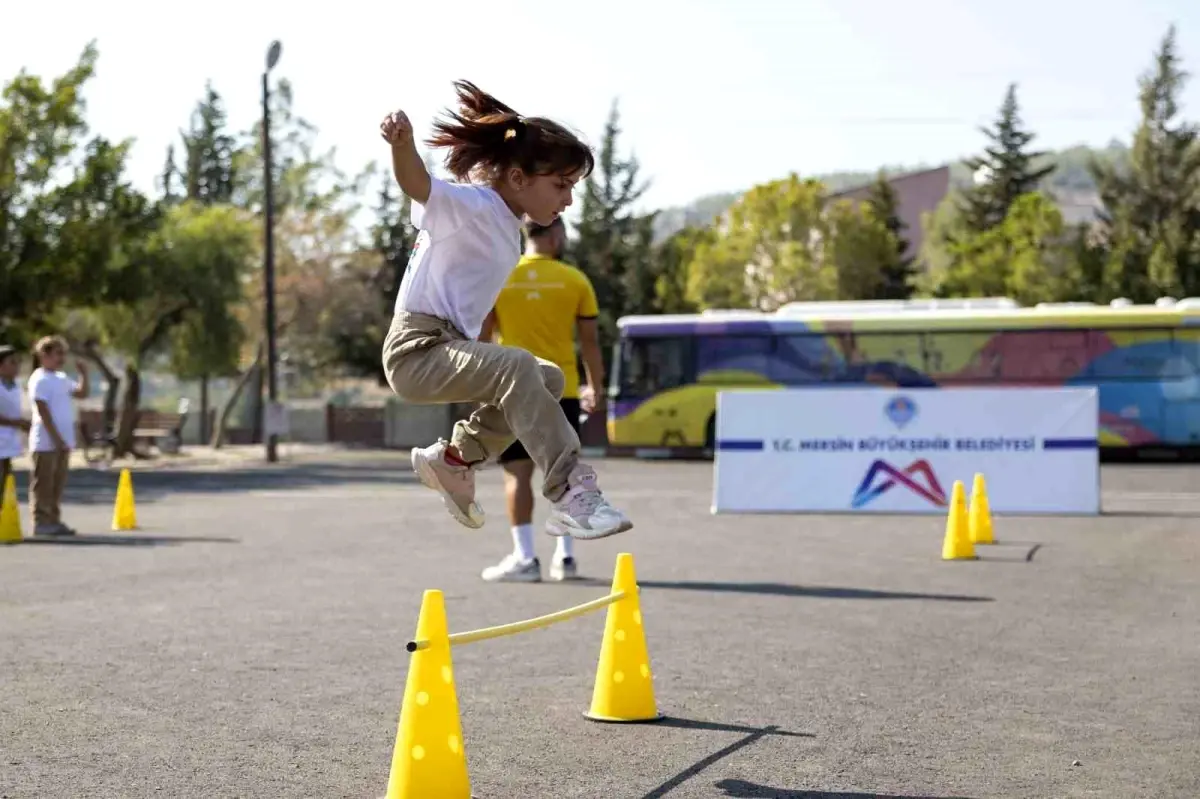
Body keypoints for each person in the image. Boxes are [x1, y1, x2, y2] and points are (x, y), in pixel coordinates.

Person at [378, 80, 632, 541]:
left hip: (448, 345)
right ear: (517, 178)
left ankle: (456, 460)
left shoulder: (508, 230)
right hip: (415, 349)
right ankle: (571, 492)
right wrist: (403, 145)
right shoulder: (473, 205)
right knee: (517, 366)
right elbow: (417, 184)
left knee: (547, 377)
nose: (568, 200)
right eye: (560, 185)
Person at [476, 216, 605, 582]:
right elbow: (590, 344)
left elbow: (484, 340)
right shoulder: (575, 280)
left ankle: (525, 558)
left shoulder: (501, 276)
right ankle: (564, 559)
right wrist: (594, 386)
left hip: (512, 389)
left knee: (517, 474)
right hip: (560, 389)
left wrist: (483, 389)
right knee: (561, 474)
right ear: (557, 235)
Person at [27, 336, 88, 537]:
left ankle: (54, 520)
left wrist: (83, 375)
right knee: (43, 484)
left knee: (57, 484)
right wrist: (56, 438)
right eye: (57, 353)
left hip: (62, 442)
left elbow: (81, 393)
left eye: (63, 353)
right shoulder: (40, 378)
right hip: (45, 442)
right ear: (44, 355)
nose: (62, 358)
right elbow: (42, 410)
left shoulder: (61, 378)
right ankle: (41, 522)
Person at [0, 345, 29, 489]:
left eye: (18, 362)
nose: (16, 365)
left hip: (8, 442)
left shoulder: (17, 385)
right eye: (12, 362)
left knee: (5, 482)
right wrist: (16, 422)